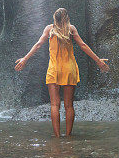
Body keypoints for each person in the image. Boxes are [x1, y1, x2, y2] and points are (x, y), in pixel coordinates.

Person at [14, 8, 109, 137]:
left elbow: (38, 45)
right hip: (69, 69)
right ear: (66, 18)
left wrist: (25, 59)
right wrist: (98, 61)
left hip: (54, 69)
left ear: (55, 18)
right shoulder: (71, 29)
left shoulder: (49, 29)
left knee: (54, 104)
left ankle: (57, 136)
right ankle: (68, 135)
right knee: (69, 105)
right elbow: (83, 45)